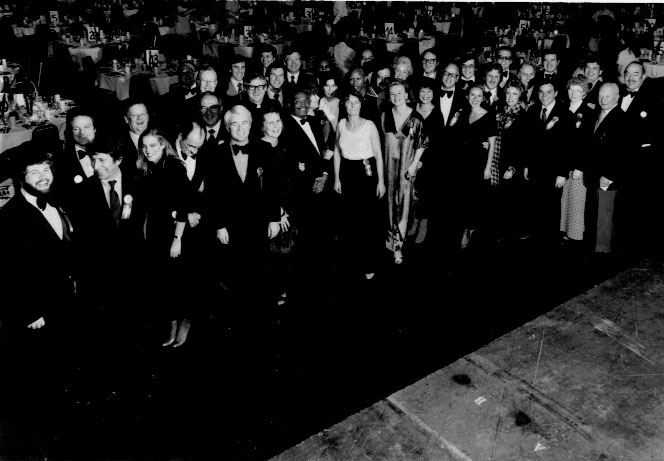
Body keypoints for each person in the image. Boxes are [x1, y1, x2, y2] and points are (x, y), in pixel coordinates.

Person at [0, 149, 78, 456]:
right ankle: (43, 440)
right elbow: (7, 272)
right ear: (21, 179)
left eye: (46, 170)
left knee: (61, 367)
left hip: (64, 302)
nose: (43, 177)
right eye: (35, 173)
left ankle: (62, 427)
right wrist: (30, 310)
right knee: (38, 376)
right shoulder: (9, 218)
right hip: (37, 312)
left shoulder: (57, 200)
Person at [204, 105, 281, 300]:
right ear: (228, 127)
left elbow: (273, 187)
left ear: (251, 125)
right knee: (235, 277)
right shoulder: (216, 153)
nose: (240, 128)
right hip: (231, 226)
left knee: (260, 273)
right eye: (234, 124)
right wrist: (219, 225)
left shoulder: (265, 149)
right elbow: (212, 194)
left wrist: (274, 219)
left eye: (244, 123)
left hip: (259, 223)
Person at [134, 127, 191, 347]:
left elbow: (185, 204)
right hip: (156, 230)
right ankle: (173, 322)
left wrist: (177, 239)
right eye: (144, 146)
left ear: (163, 145)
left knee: (178, 280)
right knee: (164, 281)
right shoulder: (146, 168)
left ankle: (184, 322)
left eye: (153, 145)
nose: (148, 150)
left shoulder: (174, 167)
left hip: (176, 231)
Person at [333, 90, 385, 279]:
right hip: (347, 174)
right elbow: (337, 152)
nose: (352, 106)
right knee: (349, 220)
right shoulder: (340, 124)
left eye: (356, 102)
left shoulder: (369, 126)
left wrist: (381, 182)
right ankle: (352, 261)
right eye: (349, 102)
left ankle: (369, 263)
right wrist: (337, 178)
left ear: (361, 105)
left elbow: (379, 155)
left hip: (366, 173)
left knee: (366, 221)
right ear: (344, 105)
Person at [522, 80, 575, 248]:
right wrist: (526, 165)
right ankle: (536, 240)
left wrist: (562, 172)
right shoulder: (532, 111)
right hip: (536, 168)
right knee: (535, 204)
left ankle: (549, 243)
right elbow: (529, 142)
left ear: (556, 93)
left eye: (548, 92)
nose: (544, 96)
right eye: (541, 92)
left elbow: (568, 146)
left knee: (551, 207)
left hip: (554, 170)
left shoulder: (565, 114)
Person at [382, 79, 429, 264]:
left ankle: (398, 246)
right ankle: (389, 241)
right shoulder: (384, 116)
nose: (396, 97)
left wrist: (413, 165)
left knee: (402, 207)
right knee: (388, 207)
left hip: (405, 169)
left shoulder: (416, 118)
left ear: (406, 94)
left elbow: (422, 144)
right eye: (392, 93)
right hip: (387, 170)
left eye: (399, 93)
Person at [583, 83, 628, 254]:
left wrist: (609, 176)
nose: (602, 99)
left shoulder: (622, 119)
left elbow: (623, 152)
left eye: (607, 96)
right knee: (594, 216)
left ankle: (602, 256)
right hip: (593, 175)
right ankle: (593, 251)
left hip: (607, 179)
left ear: (617, 97)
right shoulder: (598, 114)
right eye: (601, 95)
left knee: (604, 219)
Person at [455, 85, 497, 248]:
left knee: (475, 198)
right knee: (464, 196)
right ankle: (465, 228)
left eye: (479, 96)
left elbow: (492, 144)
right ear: (467, 96)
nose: (475, 98)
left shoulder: (488, 116)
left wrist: (488, 168)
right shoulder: (464, 112)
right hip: (463, 162)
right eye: (472, 95)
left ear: (483, 98)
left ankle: (469, 231)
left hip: (478, 162)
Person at [258, 109, 293, 304]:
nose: (275, 126)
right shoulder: (259, 148)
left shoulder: (283, 145)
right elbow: (264, 186)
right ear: (263, 126)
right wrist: (279, 212)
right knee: (273, 255)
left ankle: (282, 290)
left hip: (288, 207)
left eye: (277, 121)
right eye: (270, 123)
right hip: (271, 210)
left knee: (285, 255)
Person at [560, 77, 596, 244]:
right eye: (571, 90)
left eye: (578, 91)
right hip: (563, 163)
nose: (573, 93)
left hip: (578, 165)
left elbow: (588, 143)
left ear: (584, 93)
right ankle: (565, 231)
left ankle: (575, 235)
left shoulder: (588, 113)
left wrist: (580, 167)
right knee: (565, 199)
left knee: (576, 201)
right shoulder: (562, 109)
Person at [495, 80, 529, 242]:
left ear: (520, 96)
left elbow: (525, 146)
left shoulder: (524, 115)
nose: (510, 96)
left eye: (515, 93)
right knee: (500, 199)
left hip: (514, 165)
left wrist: (513, 167)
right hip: (498, 162)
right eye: (508, 92)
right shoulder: (499, 111)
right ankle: (501, 231)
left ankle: (515, 234)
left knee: (514, 200)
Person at [53, 108, 98, 207]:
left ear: (95, 129)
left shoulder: (109, 152)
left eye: (87, 127)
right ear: (70, 131)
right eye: (76, 128)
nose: (82, 132)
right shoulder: (62, 160)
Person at [232, 72, 280, 140]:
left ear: (266, 88)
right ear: (246, 89)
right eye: (251, 87)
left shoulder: (275, 105)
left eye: (260, 87)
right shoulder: (238, 107)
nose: (256, 91)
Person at [117, 98, 150, 180]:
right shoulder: (118, 144)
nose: (139, 118)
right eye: (134, 115)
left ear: (148, 117)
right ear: (126, 119)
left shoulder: (161, 138)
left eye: (142, 114)